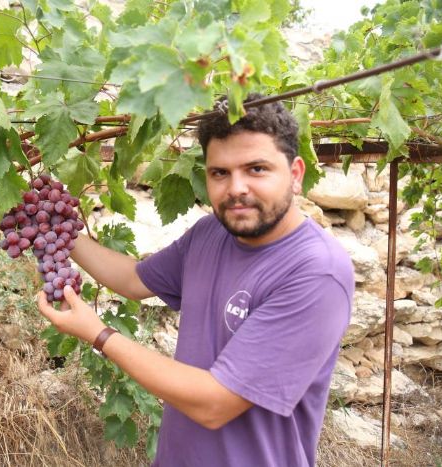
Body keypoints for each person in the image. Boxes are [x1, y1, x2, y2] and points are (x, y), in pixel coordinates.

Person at [37, 93, 355, 467]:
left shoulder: (316, 271)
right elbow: (134, 279)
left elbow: (215, 403)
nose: (236, 187)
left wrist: (100, 335)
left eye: (256, 169)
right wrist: (63, 233)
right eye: (220, 172)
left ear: (296, 175)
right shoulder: (209, 235)